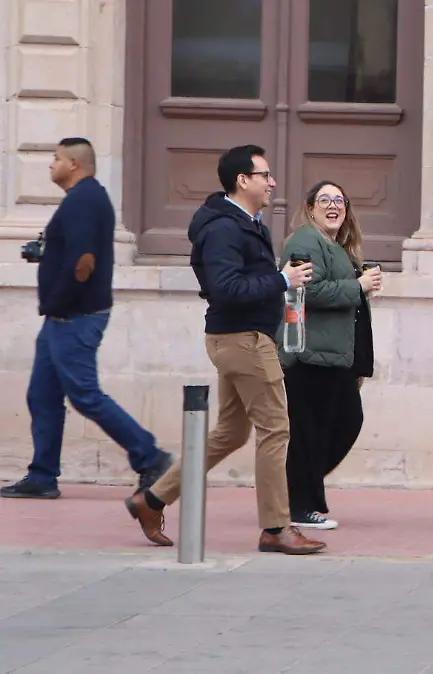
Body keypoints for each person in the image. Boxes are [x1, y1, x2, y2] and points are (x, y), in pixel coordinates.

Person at [124, 144, 326, 555]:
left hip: (244, 337)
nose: (272, 183)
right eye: (265, 175)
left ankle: (153, 499)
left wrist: (280, 284)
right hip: (243, 340)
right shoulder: (223, 229)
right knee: (276, 429)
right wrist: (282, 281)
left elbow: (237, 282)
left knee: (231, 432)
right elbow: (225, 288)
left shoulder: (248, 224)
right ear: (242, 181)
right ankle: (276, 527)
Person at [2, 138, 173, 500]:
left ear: (75, 165)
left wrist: (62, 300)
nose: (51, 164)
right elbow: (73, 252)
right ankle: (42, 476)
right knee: (42, 395)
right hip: (61, 318)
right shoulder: (84, 199)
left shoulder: (83, 200)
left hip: (74, 317)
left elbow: (84, 260)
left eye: (56, 159)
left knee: (84, 394)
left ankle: (150, 456)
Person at [278, 180, 381, 530]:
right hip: (309, 354)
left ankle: (295, 491)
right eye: (325, 200)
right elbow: (306, 289)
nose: (333, 205)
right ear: (310, 208)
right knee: (311, 431)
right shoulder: (305, 241)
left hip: (333, 355)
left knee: (338, 424)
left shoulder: (334, 245)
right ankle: (298, 502)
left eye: (340, 199)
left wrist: (361, 279)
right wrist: (358, 286)